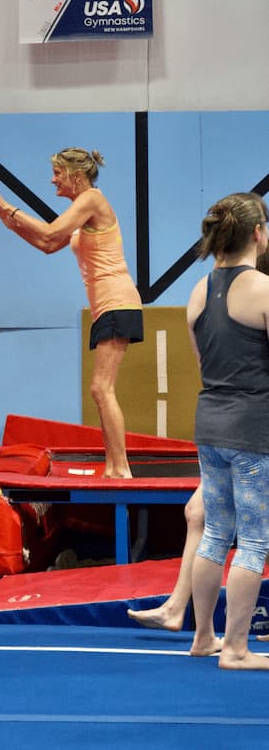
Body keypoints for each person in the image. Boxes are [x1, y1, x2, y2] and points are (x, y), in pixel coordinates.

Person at [127, 244, 269, 633]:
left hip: (236, 429)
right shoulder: (236, 291)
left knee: (228, 529)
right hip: (242, 430)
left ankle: (190, 616)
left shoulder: (217, 291)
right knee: (199, 515)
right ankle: (179, 608)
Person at [0, 147, 143, 479]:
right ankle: (114, 466)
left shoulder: (92, 199)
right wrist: (9, 222)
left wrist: (12, 209)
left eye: (57, 172)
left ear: (75, 175)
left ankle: (120, 467)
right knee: (101, 389)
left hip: (117, 301)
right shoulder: (82, 212)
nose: (52, 179)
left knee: (101, 388)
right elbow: (48, 245)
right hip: (106, 306)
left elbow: (51, 232)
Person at [184, 191, 269, 670]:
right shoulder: (262, 289)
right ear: (258, 233)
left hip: (210, 424)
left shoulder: (198, 291)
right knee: (254, 540)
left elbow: (204, 367)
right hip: (252, 429)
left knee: (216, 532)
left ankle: (203, 637)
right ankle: (236, 649)